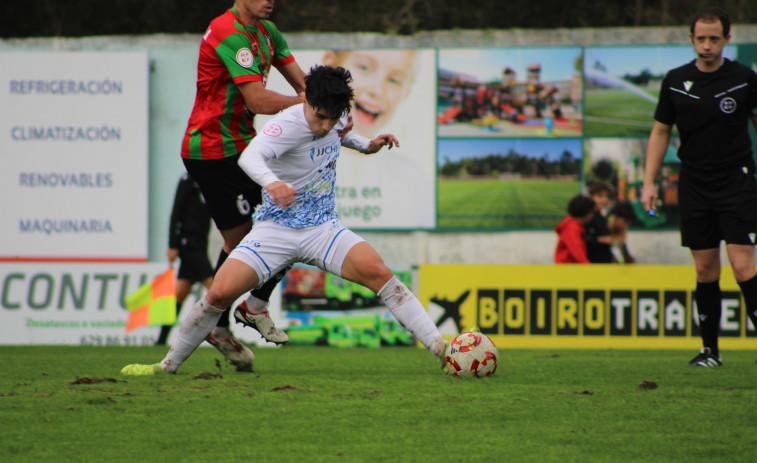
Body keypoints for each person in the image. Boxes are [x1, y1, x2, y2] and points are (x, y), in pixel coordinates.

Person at [122, 65, 447, 375]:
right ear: (305, 99)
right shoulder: (286, 125)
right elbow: (251, 156)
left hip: (323, 228)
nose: (323, 125)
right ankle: (167, 366)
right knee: (219, 294)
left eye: (331, 118)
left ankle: (440, 348)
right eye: (319, 116)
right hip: (274, 230)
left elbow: (339, 134)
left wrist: (367, 146)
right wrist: (272, 183)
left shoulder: (336, 114)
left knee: (380, 273)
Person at [176, 0, 309, 370]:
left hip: (240, 147)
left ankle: (251, 308)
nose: (271, 0)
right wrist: (307, 103)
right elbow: (259, 99)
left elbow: (304, 84)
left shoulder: (268, 32)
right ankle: (218, 323)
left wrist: (326, 99)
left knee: (288, 222)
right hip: (211, 152)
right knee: (244, 241)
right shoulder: (227, 31)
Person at [641, 7, 757, 367]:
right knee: (706, 270)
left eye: (714, 38)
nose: (707, 45)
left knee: (742, 266)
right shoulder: (675, 80)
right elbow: (661, 131)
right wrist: (649, 182)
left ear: (727, 39)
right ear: (691, 39)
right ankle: (711, 352)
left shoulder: (745, 78)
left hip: (737, 181)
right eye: (701, 38)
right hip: (694, 184)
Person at [156, 175, 215, 346]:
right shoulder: (188, 180)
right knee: (216, 289)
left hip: (201, 243)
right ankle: (223, 332)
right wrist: (172, 244)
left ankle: (161, 340)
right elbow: (176, 211)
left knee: (181, 291)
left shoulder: (209, 180)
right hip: (189, 243)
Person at [554, 195, 595, 264]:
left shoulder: (575, 226)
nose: (592, 216)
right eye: (591, 212)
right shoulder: (572, 228)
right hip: (569, 269)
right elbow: (577, 252)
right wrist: (589, 270)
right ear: (586, 213)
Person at [584, 182, 614, 263]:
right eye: (600, 196)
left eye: (607, 196)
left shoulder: (602, 217)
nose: (604, 200)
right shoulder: (587, 218)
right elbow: (582, 239)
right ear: (591, 197)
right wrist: (601, 239)